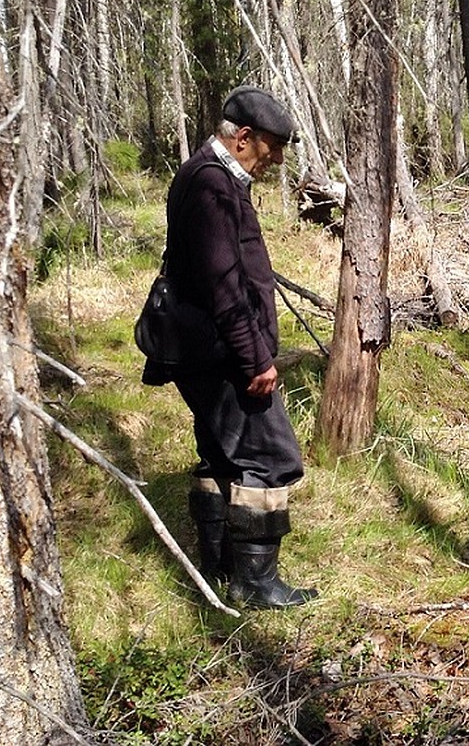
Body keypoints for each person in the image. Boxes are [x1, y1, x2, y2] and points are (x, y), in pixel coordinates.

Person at [143, 85, 317, 609]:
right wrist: (255, 358)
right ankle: (255, 583)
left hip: (205, 346)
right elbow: (223, 286)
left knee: (221, 450)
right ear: (243, 138)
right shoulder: (212, 185)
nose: (277, 160)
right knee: (269, 456)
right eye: (271, 148)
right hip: (219, 350)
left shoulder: (208, 175)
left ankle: (220, 565)